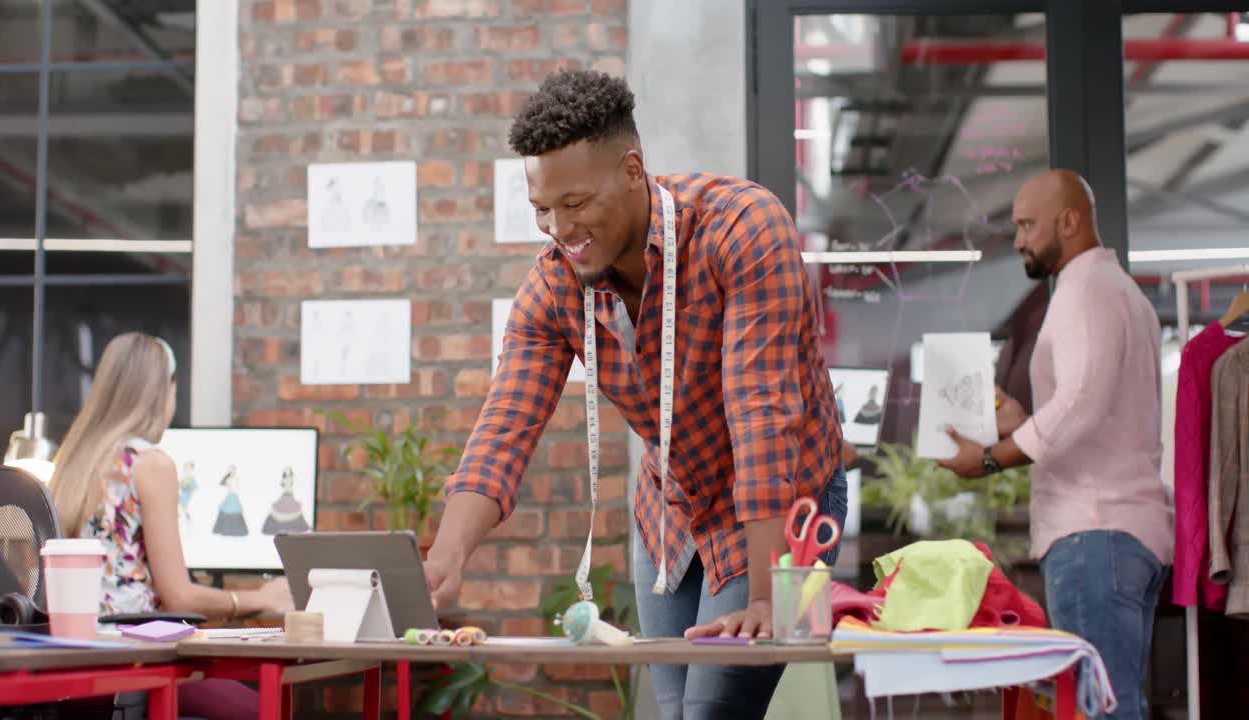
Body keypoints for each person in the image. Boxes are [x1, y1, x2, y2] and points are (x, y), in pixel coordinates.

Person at [422, 70, 847, 719]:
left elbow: (763, 416)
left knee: (712, 713)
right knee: (672, 713)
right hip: (671, 511)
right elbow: (503, 429)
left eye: (576, 203)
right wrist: (443, 561)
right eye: (542, 208)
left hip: (779, 500)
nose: (558, 228)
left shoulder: (741, 228)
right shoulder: (553, 290)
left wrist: (768, 597)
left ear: (630, 170)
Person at [939, 169, 1171, 720]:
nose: (1017, 239)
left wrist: (991, 458)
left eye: (1027, 225)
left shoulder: (1086, 291)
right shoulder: (1117, 292)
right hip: (1118, 531)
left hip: (1095, 533)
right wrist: (1023, 419)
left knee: (1100, 711)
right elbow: (1092, 407)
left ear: (1069, 221)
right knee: (1112, 706)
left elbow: (1083, 404)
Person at [48, 332, 294, 720]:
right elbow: (178, 597)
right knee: (268, 708)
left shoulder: (71, 462)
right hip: (137, 662)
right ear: (164, 390)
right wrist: (261, 598)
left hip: (76, 667)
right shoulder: (149, 463)